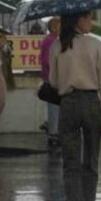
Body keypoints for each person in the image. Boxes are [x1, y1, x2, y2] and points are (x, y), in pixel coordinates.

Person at [49, 11, 101, 201]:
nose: (91, 22)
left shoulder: (58, 46)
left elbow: (54, 82)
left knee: (70, 166)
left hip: (67, 105)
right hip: (91, 104)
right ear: (78, 20)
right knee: (91, 164)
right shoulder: (96, 45)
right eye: (88, 18)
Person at [39, 17, 62, 145]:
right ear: (53, 27)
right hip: (52, 78)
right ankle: (53, 133)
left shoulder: (53, 40)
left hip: (52, 77)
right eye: (60, 26)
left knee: (56, 106)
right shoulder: (51, 41)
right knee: (54, 106)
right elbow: (48, 61)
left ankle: (51, 127)